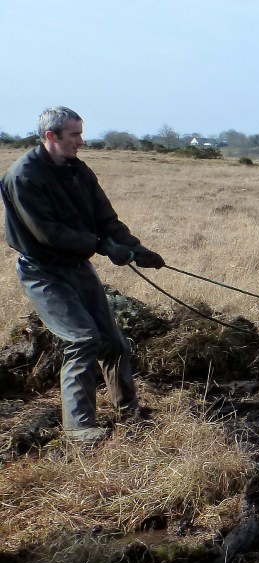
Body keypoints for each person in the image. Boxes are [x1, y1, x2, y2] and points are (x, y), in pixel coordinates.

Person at [1, 106, 166, 443]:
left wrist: (135, 248)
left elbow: (106, 217)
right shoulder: (23, 177)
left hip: (77, 266)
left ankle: (129, 413)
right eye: (74, 135)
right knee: (82, 338)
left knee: (114, 342)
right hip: (43, 271)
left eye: (80, 132)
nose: (81, 141)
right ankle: (79, 429)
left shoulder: (79, 171)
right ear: (52, 136)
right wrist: (103, 247)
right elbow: (50, 234)